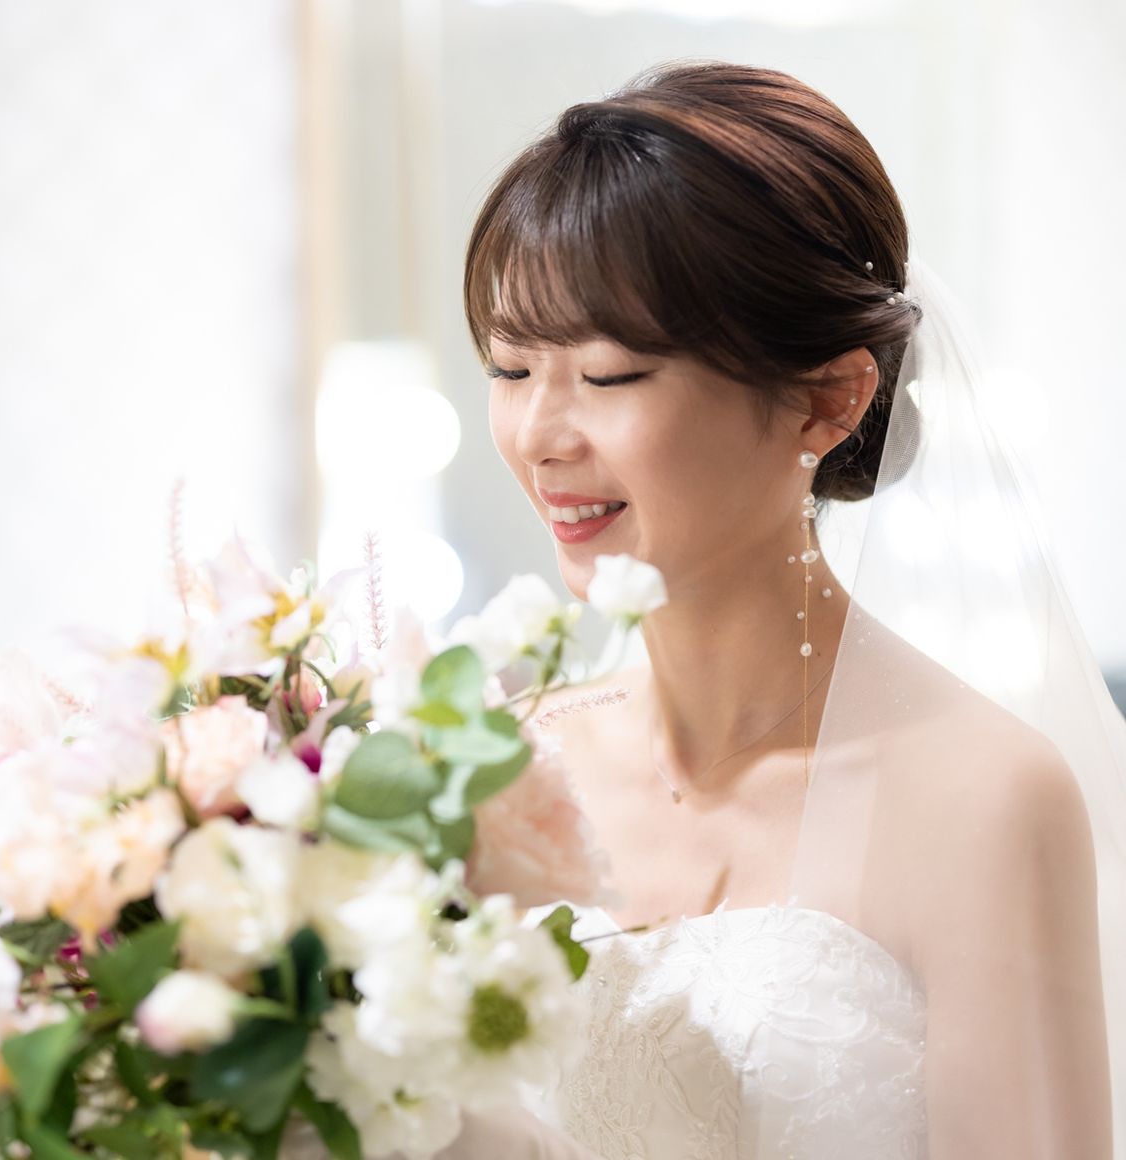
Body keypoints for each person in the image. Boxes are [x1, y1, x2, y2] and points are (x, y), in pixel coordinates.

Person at [437, 60, 1126, 1159]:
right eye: (511, 368)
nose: (538, 436)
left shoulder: (984, 794)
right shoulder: (495, 769)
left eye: (608, 375)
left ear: (825, 398)